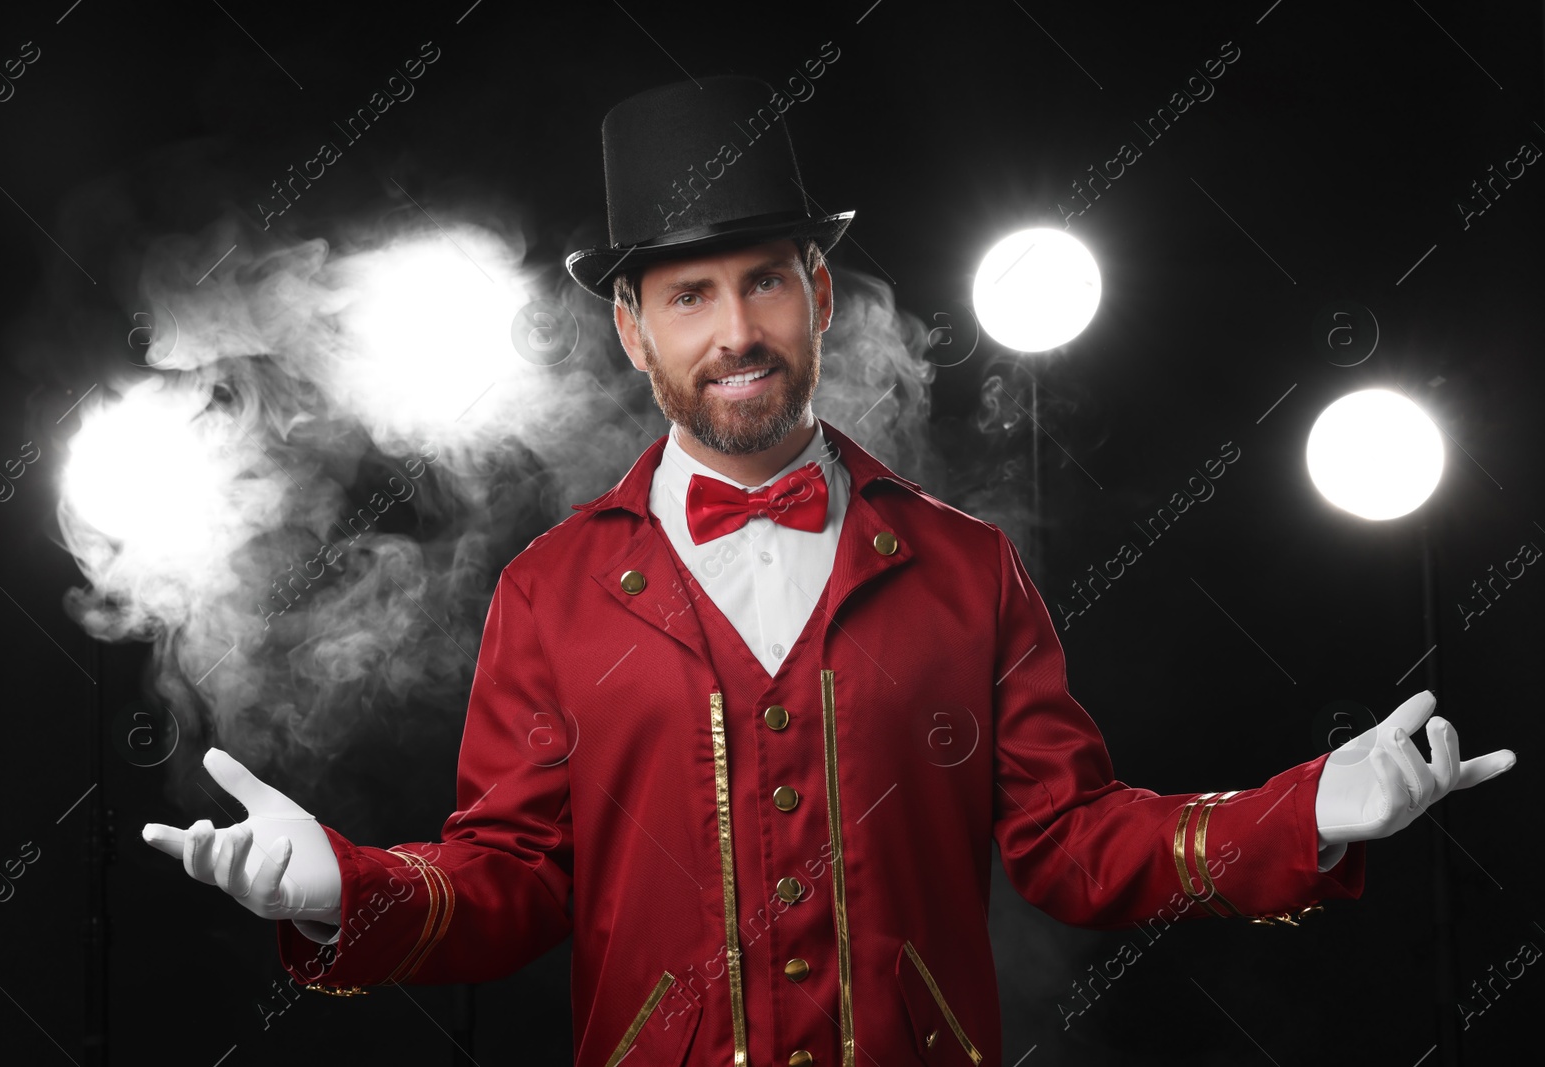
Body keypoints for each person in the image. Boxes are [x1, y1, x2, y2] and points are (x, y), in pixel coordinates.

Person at [142, 76, 1516, 1066]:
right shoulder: (549, 596)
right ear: (632, 329)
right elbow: (510, 885)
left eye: (764, 283)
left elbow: (1073, 846)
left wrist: (1304, 812)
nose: (735, 331)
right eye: (689, 295)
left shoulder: (970, 570)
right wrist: (344, 892)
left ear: (823, 294)